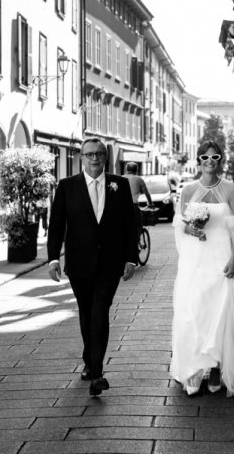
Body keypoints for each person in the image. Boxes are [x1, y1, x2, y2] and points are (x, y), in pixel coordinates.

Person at [171, 141, 234, 396]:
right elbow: (180, 223)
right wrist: (189, 228)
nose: (210, 160)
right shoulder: (189, 190)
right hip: (195, 258)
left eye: (215, 156)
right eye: (204, 156)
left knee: (221, 311)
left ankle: (216, 368)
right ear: (198, 160)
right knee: (193, 312)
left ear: (221, 160)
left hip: (222, 254)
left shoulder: (232, 190)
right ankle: (193, 367)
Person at [47, 138, 138, 397]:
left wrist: (131, 257)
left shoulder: (119, 185)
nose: (94, 158)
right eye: (89, 155)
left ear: (105, 157)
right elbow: (57, 225)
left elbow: (129, 225)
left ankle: (97, 373)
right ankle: (89, 358)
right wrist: (54, 258)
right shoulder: (67, 187)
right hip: (78, 263)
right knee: (86, 313)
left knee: (100, 311)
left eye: (99, 154)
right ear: (81, 158)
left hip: (110, 264)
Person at [124, 162, 154, 244]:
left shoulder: (121, 178)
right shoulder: (139, 179)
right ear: (136, 170)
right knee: (138, 224)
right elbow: (146, 193)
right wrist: (150, 203)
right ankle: (136, 241)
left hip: (122, 206)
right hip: (133, 206)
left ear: (126, 169)